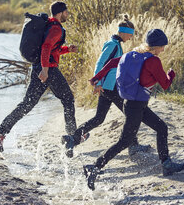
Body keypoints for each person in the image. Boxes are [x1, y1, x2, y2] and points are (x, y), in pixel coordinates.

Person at [83, 29, 184, 190]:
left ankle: (166, 164)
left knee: (162, 128)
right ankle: (95, 168)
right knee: (124, 141)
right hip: (136, 106)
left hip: (132, 103)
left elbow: (111, 63)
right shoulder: (153, 61)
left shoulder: (134, 54)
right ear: (156, 46)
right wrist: (171, 74)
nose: (163, 50)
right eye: (162, 46)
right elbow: (166, 85)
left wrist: (96, 77)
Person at [0, 1, 82, 156]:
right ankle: (71, 138)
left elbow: (52, 49)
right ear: (60, 12)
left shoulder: (50, 26)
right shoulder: (55, 28)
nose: (67, 14)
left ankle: (0, 131)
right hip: (48, 70)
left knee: (28, 103)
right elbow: (46, 48)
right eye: (66, 11)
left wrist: (67, 50)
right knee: (68, 99)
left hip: (38, 68)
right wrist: (45, 70)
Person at [61, 16, 150, 158]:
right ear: (123, 32)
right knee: (130, 114)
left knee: (99, 118)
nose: (131, 37)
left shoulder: (116, 44)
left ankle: (73, 139)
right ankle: (133, 146)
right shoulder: (113, 45)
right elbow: (100, 63)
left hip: (108, 87)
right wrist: (97, 82)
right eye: (130, 34)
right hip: (110, 87)